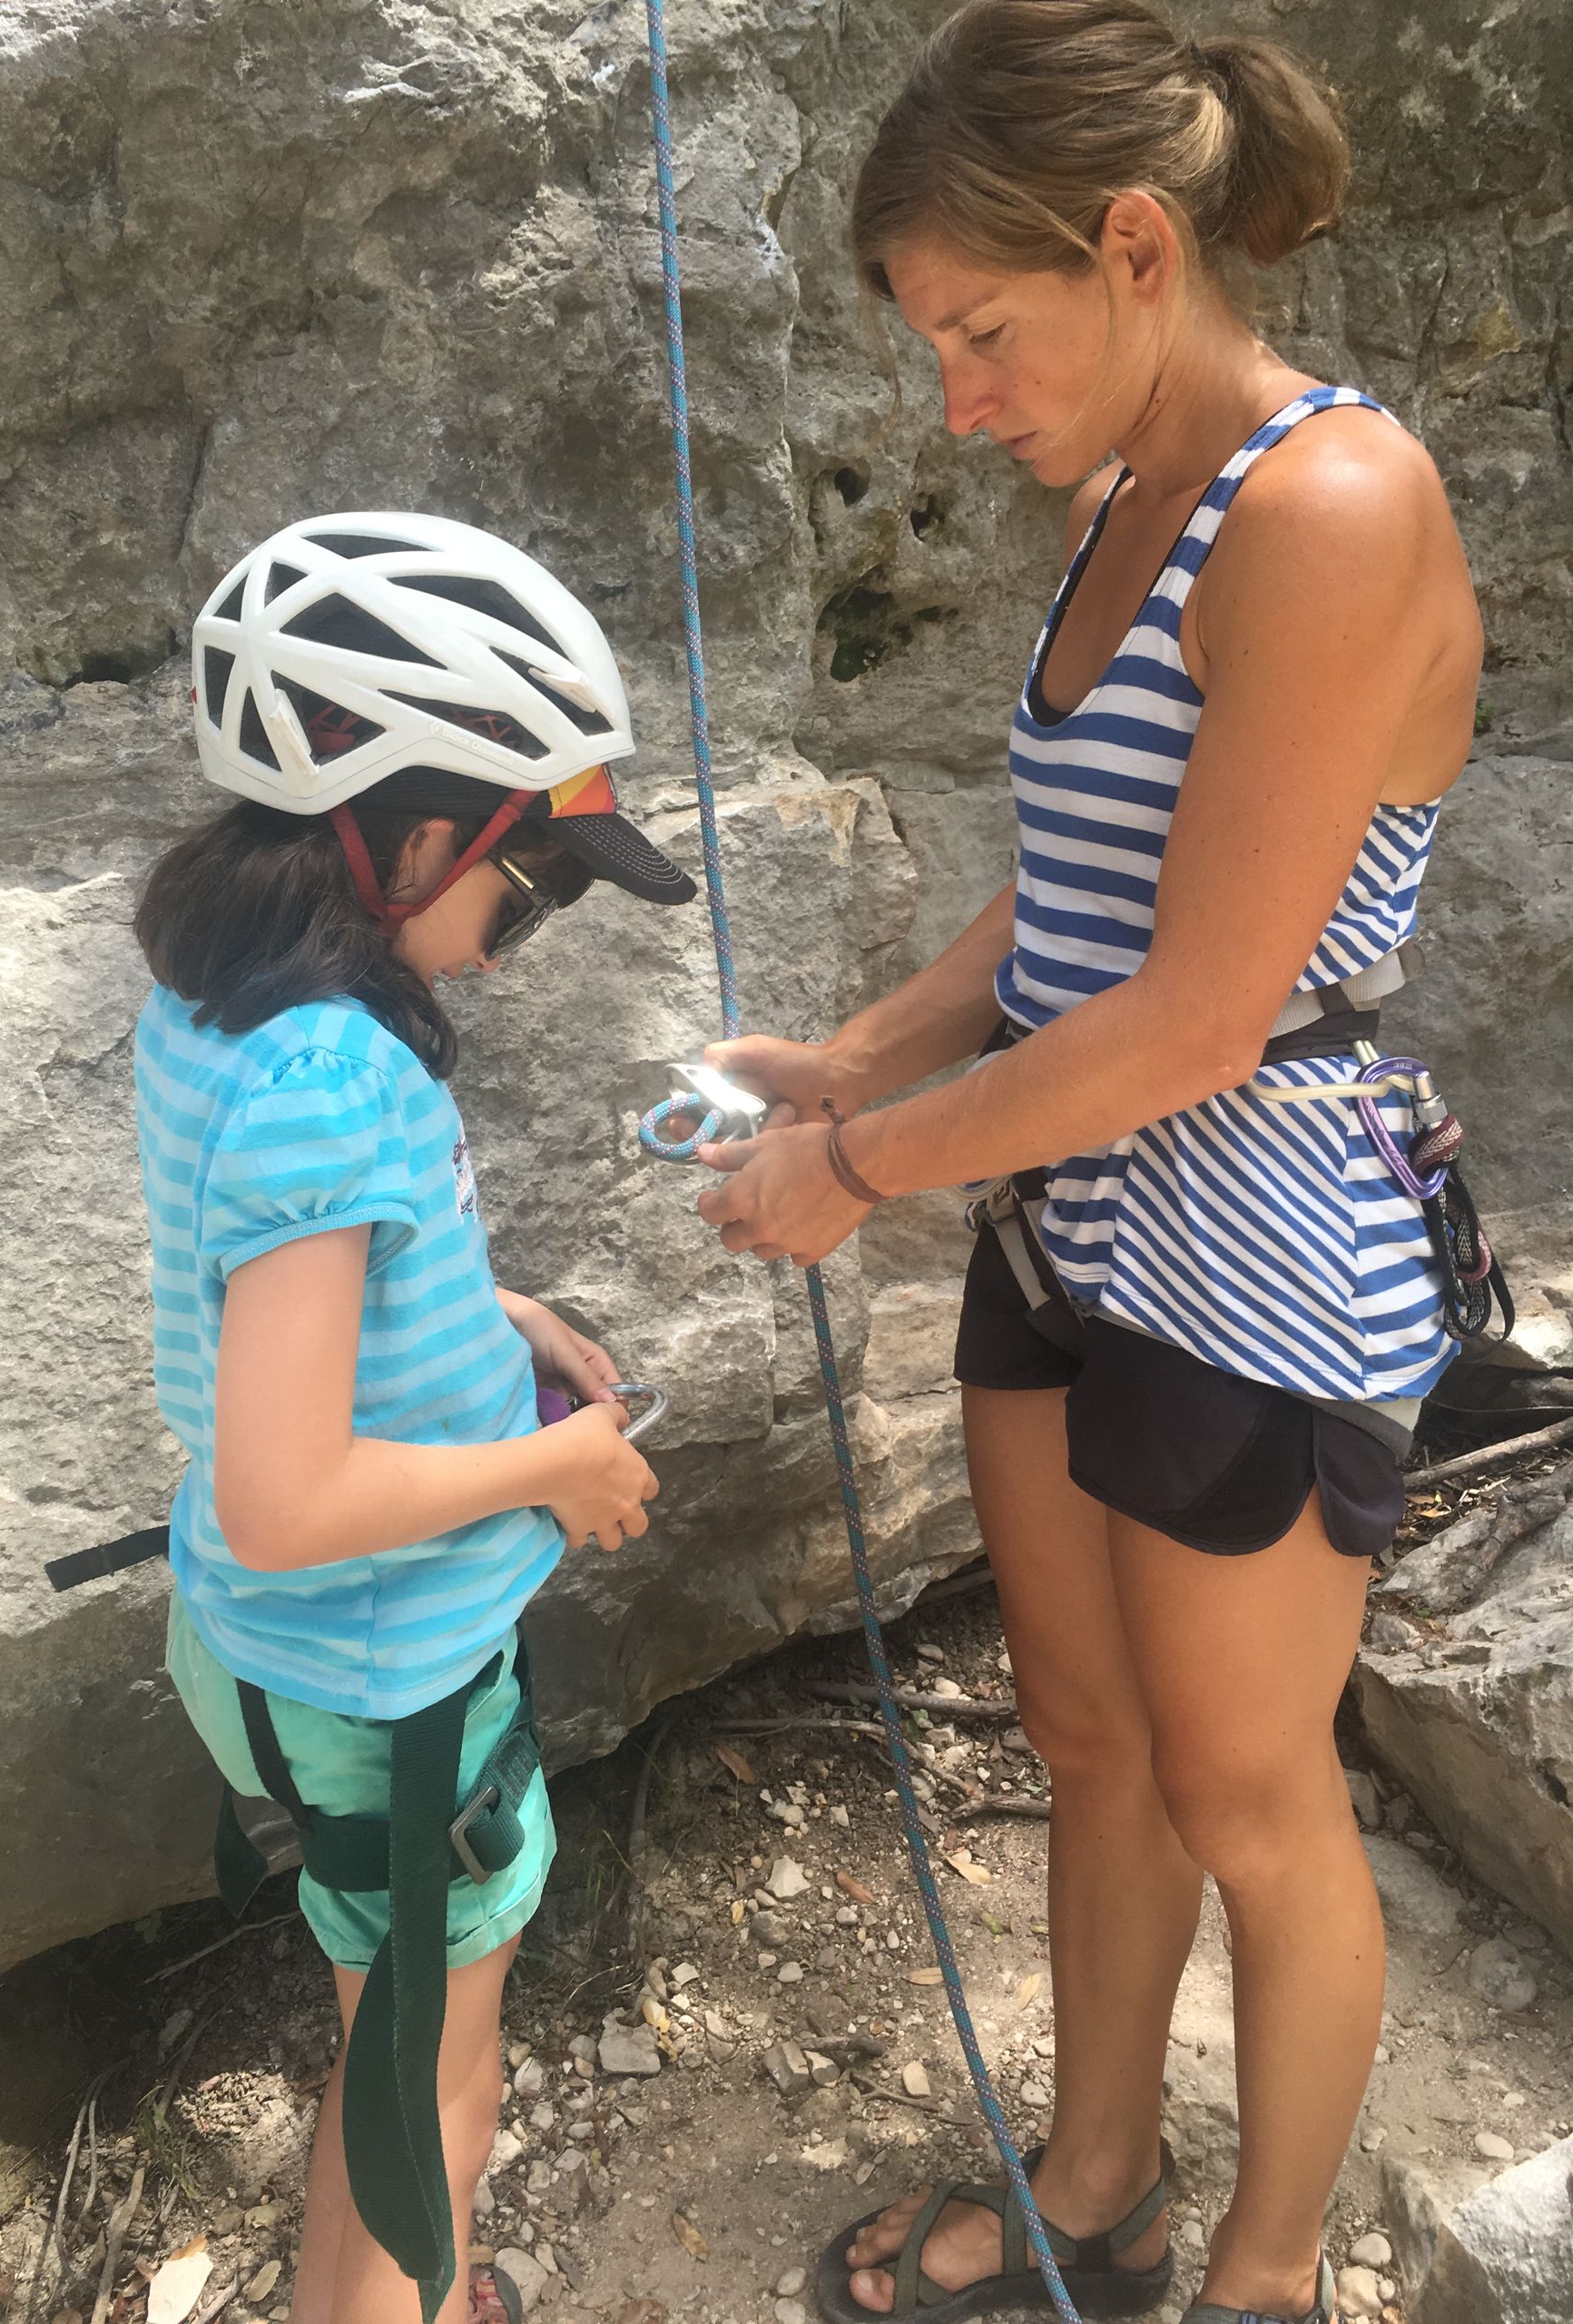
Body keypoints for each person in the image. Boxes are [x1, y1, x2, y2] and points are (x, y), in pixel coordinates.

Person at [693, 8, 1487, 2322]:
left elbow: (1203, 1011)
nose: (955, 398)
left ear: (1137, 246)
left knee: (1251, 1795)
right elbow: (1078, 892)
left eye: (979, 329)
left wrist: (864, 1162)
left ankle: (1267, 2274)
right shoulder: (1120, 496)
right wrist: (857, 1053)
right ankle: (1102, 2183)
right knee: (1088, 1733)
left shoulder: (1332, 508)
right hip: (1072, 1217)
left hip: (1258, 1241)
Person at [131, 512, 695, 2324]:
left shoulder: (222, 1002)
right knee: (430, 2088)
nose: (519, 943)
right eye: (532, 887)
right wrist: (563, 1466)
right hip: (386, 1681)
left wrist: (488, 1310)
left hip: (275, 1650)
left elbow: (275, 1272)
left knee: (393, 2050)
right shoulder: (337, 1074)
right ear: (412, 834)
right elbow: (293, 1493)